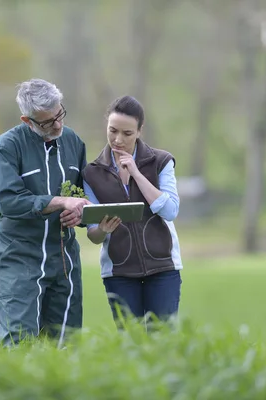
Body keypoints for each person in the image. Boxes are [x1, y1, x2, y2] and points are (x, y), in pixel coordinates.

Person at [0, 78, 91, 347]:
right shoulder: (6, 148)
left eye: (59, 115)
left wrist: (79, 213)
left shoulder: (73, 142)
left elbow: (80, 197)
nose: (57, 125)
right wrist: (59, 202)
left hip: (64, 261)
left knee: (67, 346)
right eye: (47, 122)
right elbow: (8, 201)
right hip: (19, 257)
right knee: (20, 344)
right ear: (26, 120)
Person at [82, 95, 183, 328]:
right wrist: (103, 231)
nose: (118, 140)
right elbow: (92, 234)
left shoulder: (161, 162)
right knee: (130, 343)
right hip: (119, 273)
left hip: (163, 267)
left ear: (139, 131)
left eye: (127, 134)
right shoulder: (92, 173)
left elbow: (170, 210)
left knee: (163, 339)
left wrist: (137, 173)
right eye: (112, 131)